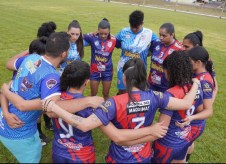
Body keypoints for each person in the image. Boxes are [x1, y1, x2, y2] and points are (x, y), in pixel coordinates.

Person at [41, 58, 200, 163]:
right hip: (142, 156)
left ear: (124, 78)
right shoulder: (156, 96)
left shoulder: (112, 103)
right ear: (143, 77)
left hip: (119, 157)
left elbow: (85, 125)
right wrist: (196, 85)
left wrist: (55, 108)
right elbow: (186, 103)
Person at [0, 32, 104, 163]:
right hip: (18, 131)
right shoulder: (51, 77)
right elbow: (51, 109)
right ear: (63, 54)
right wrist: (88, 101)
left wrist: (5, 91)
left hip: (5, 119)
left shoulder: (31, 58)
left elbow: (9, 64)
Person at [152, 50, 205, 163]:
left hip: (167, 142)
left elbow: (162, 127)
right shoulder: (196, 87)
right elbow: (200, 110)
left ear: (171, 71)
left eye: (165, 72)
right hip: (184, 139)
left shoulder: (171, 94)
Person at [183, 31, 218, 162]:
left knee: (182, 149)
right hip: (189, 119)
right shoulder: (197, 74)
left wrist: (192, 116)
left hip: (194, 122)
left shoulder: (203, 81)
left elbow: (207, 110)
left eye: (189, 62)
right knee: (183, 148)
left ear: (198, 62)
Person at [115, 10, 159, 95]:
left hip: (139, 70)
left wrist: (148, 52)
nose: (134, 29)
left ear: (142, 23)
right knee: (122, 93)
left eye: (137, 27)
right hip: (123, 68)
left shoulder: (149, 33)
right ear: (129, 23)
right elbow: (115, 43)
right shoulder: (123, 32)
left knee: (137, 94)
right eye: (132, 26)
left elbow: (158, 46)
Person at [83, 18, 116, 100]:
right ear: (97, 30)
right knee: (93, 94)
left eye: (106, 33)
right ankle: (91, 110)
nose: (103, 36)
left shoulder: (114, 39)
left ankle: (106, 111)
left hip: (107, 71)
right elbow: (79, 35)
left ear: (109, 31)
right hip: (94, 71)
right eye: (101, 33)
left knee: (106, 94)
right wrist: (90, 32)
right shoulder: (92, 37)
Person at [148, 22, 184, 92]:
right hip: (151, 83)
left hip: (166, 87)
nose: (161, 38)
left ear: (172, 35)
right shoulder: (156, 43)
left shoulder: (179, 49)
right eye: (160, 35)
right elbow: (148, 53)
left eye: (164, 36)